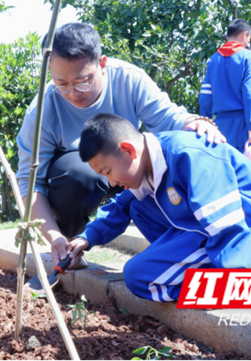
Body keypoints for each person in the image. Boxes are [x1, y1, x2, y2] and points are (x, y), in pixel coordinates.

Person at [16, 22, 225, 268]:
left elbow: (169, 119)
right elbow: (29, 184)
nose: (73, 92)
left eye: (83, 81)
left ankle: (186, 247)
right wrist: (54, 235)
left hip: (127, 170)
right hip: (79, 183)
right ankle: (70, 243)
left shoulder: (129, 79)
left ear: (102, 64)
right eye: (61, 84)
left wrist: (196, 123)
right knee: (79, 173)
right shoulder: (42, 110)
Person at [65, 113, 251, 302]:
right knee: (136, 207)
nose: (112, 182)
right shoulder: (146, 163)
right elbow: (121, 206)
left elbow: (227, 224)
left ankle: (243, 288)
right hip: (214, 231)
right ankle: (205, 275)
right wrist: (86, 238)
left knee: (138, 275)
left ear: (128, 150)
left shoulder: (188, 155)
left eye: (108, 172)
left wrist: (235, 280)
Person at [199, 19, 251, 152]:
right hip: (243, 123)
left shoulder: (213, 59)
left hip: (219, 125)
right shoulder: (248, 57)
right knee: (245, 169)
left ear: (227, 37)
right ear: (245, 34)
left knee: (222, 169)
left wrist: (206, 122)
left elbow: (205, 95)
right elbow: (250, 93)